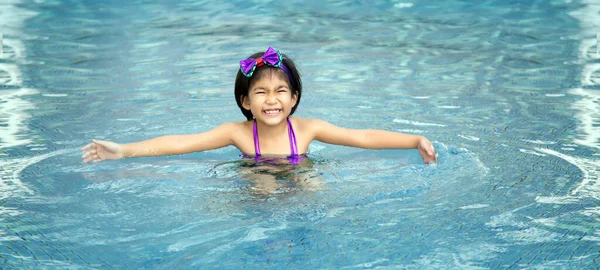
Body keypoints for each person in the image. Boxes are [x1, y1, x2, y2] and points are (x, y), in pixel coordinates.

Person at [81, 46, 438, 166]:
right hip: (255, 179)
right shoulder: (236, 134)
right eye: (261, 93)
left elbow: (362, 136)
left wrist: (413, 139)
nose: (272, 100)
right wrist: (123, 151)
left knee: (315, 189)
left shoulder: (307, 129)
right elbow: (181, 143)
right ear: (245, 102)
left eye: (281, 91)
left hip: (300, 176)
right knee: (261, 189)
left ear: (294, 99)